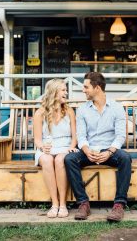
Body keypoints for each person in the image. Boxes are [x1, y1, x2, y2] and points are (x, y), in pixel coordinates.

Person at [65, 72, 132, 222]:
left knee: (125, 158)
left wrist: (109, 151)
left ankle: (119, 205)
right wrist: (87, 150)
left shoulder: (116, 108)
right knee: (69, 159)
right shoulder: (82, 109)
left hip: (109, 151)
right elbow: (81, 136)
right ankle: (83, 203)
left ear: (97, 87)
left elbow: (120, 135)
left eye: (86, 87)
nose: (83, 90)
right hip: (89, 151)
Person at [34, 78, 78, 218]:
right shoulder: (40, 113)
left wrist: (72, 147)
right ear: (54, 92)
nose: (66, 93)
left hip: (65, 147)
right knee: (47, 160)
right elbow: (37, 140)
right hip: (47, 147)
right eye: (63, 90)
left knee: (60, 160)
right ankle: (55, 204)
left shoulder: (69, 111)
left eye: (66, 90)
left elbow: (75, 136)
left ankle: (63, 204)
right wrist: (42, 147)